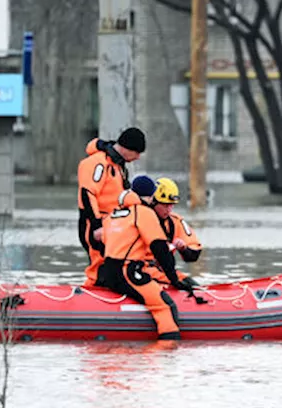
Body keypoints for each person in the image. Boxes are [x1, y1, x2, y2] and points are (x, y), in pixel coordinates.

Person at [97, 176, 198, 341]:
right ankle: (167, 352)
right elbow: (160, 250)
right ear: (151, 196)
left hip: (108, 272)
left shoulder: (114, 215)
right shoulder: (143, 213)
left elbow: (103, 245)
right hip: (129, 272)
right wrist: (174, 280)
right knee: (165, 306)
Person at [77, 127, 145, 287]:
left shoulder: (117, 166)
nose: (138, 157)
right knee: (99, 264)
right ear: (128, 148)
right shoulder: (98, 163)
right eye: (137, 152)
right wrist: (96, 225)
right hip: (95, 223)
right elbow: (87, 194)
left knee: (112, 265)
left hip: (112, 223)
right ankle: (91, 296)